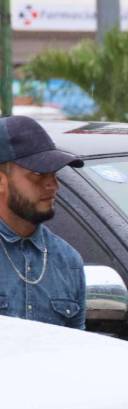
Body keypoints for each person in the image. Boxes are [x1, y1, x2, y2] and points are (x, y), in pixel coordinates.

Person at [0, 115, 86, 329]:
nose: (52, 185)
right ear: (1, 182)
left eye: (54, 173)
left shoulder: (68, 262)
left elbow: (75, 350)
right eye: (38, 173)